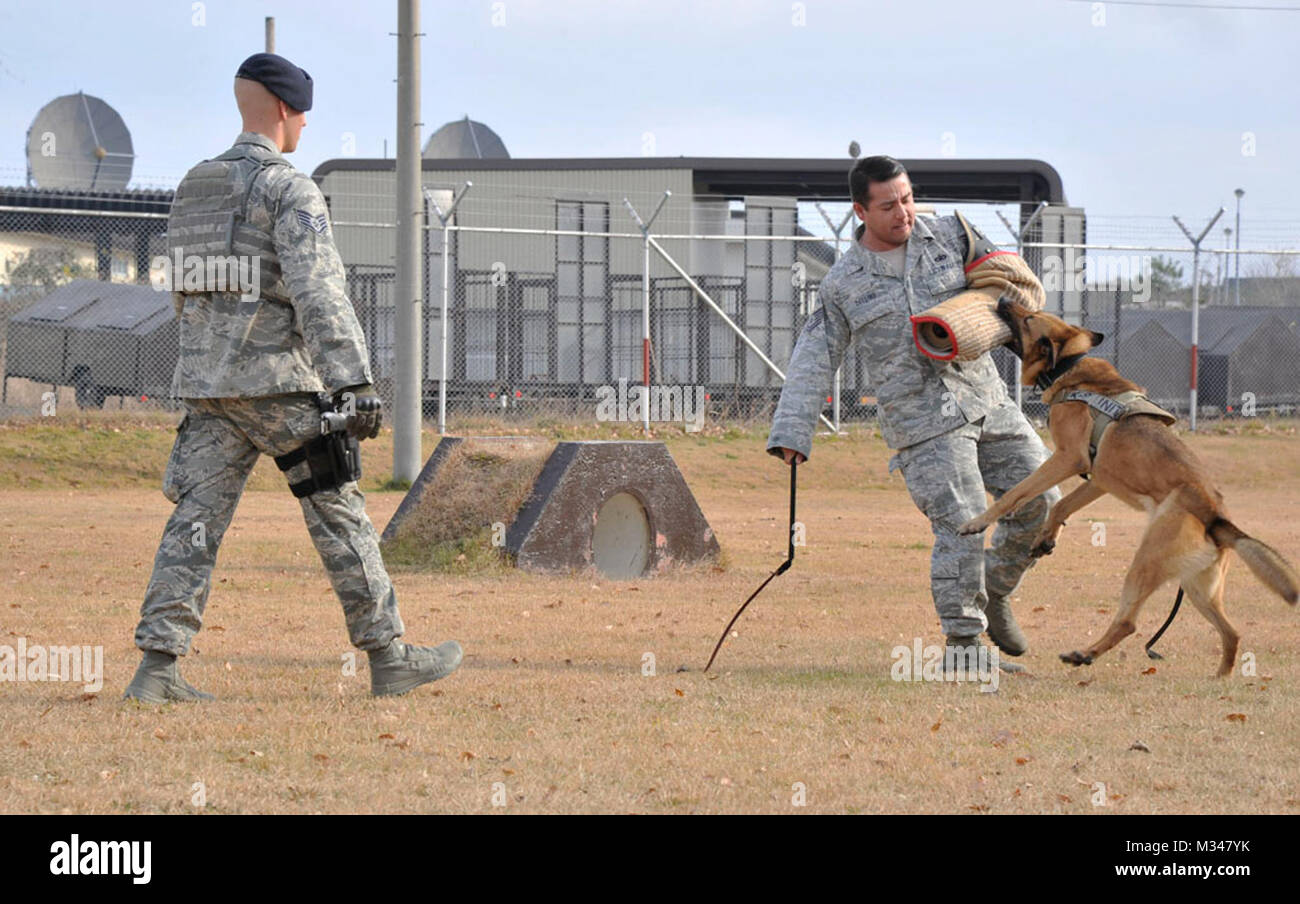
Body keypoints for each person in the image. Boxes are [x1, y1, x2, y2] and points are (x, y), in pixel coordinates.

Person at [124, 52, 462, 702]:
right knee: (339, 515)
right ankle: (389, 658)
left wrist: (203, 362)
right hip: (280, 386)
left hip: (208, 387)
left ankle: (156, 669)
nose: (304, 127)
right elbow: (319, 292)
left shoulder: (193, 185)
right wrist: (353, 384)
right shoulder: (290, 189)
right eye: (303, 115)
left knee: (193, 523)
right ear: (285, 110)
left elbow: (182, 292)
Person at [767, 155, 1060, 668]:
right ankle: (964, 648)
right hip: (923, 424)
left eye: (907, 198)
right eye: (888, 205)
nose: (904, 212)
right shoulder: (842, 283)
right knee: (963, 522)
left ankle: (995, 587)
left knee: (1043, 499)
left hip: (988, 400)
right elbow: (816, 355)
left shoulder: (951, 235)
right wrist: (794, 431)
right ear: (860, 210)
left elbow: (1012, 288)